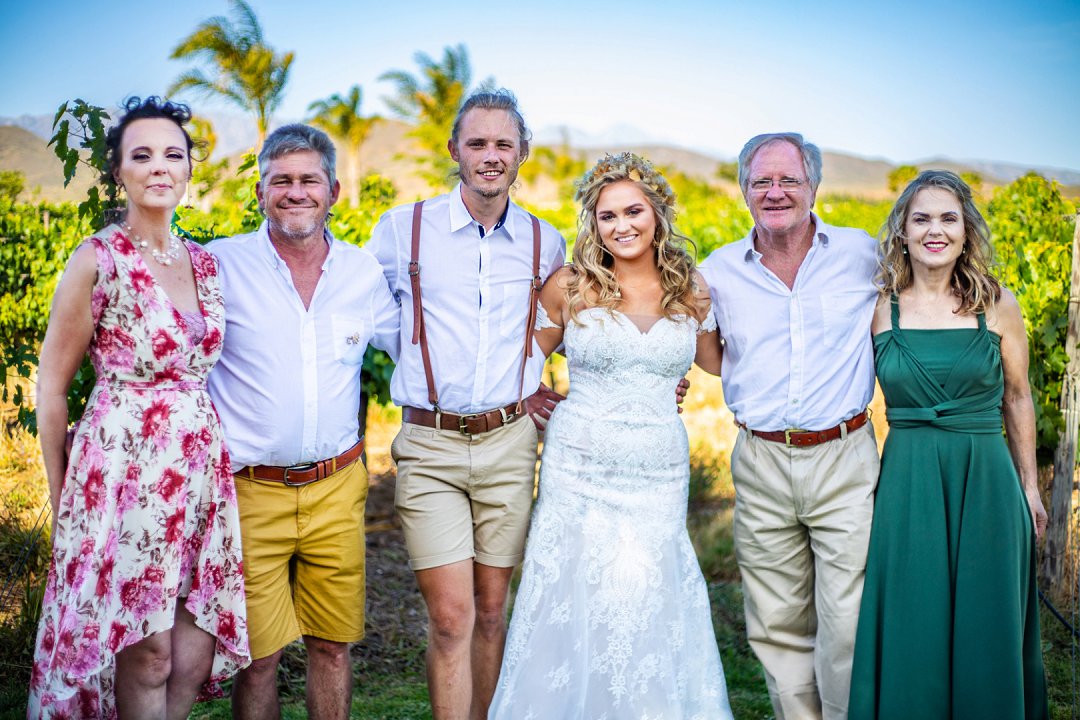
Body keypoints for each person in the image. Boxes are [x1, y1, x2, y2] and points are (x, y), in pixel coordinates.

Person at [487, 152, 733, 718]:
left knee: (650, 585)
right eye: (607, 216)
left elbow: (719, 363)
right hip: (579, 468)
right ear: (593, 224)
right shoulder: (570, 286)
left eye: (633, 211)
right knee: (572, 586)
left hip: (657, 470)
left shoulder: (691, 290)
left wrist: (667, 379)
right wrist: (532, 396)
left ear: (657, 215)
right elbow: (518, 360)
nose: (622, 226)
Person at [29, 96, 249, 718]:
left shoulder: (204, 263)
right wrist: (63, 497)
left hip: (197, 474)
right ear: (118, 169)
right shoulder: (97, 259)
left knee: (192, 651)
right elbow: (51, 387)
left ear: (189, 169)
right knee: (148, 651)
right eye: (142, 154)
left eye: (173, 155)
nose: (159, 167)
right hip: (121, 475)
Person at [365, 89, 566, 719]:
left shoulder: (545, 241)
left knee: (491, 611)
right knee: (452, 617)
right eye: (477, 143)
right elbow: (367, 313)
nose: (490, 155)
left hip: (510, 443)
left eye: (503, 144)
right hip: (429, 446)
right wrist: (419, 361)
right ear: (455, 150)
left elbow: (563, 325)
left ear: (522, 153)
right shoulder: (402, 230)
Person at [206, 123, 399, 720]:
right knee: (258, 658)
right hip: (249, 490)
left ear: (333, 191)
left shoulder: (363, 272)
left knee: (332, 646)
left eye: (309, 180)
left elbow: (418, 351)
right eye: (281, 180)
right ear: (260, 191)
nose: (296, 192)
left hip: (338, 487)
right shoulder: (220, 265)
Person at [848, 170, 1049, 719]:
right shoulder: (878, 308)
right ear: (902, 231)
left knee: (987, 617)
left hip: (986, 480)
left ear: (966, 231)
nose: (934, 230)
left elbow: (1017, 398)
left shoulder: (998, 305)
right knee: (913, 613)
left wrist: (1030, 488)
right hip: (908, 479)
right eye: (921, 219)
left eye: (948, 218)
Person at [698, 132, 880, 719]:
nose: (775, 192)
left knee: (848, 620)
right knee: (776, 624)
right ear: (744, 190)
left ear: (813, 187)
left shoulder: (863, 255)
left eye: (789, 180)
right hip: (761, 460)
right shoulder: (717, 272)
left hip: (844, 457)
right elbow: (707, 355)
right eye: (762, 181)